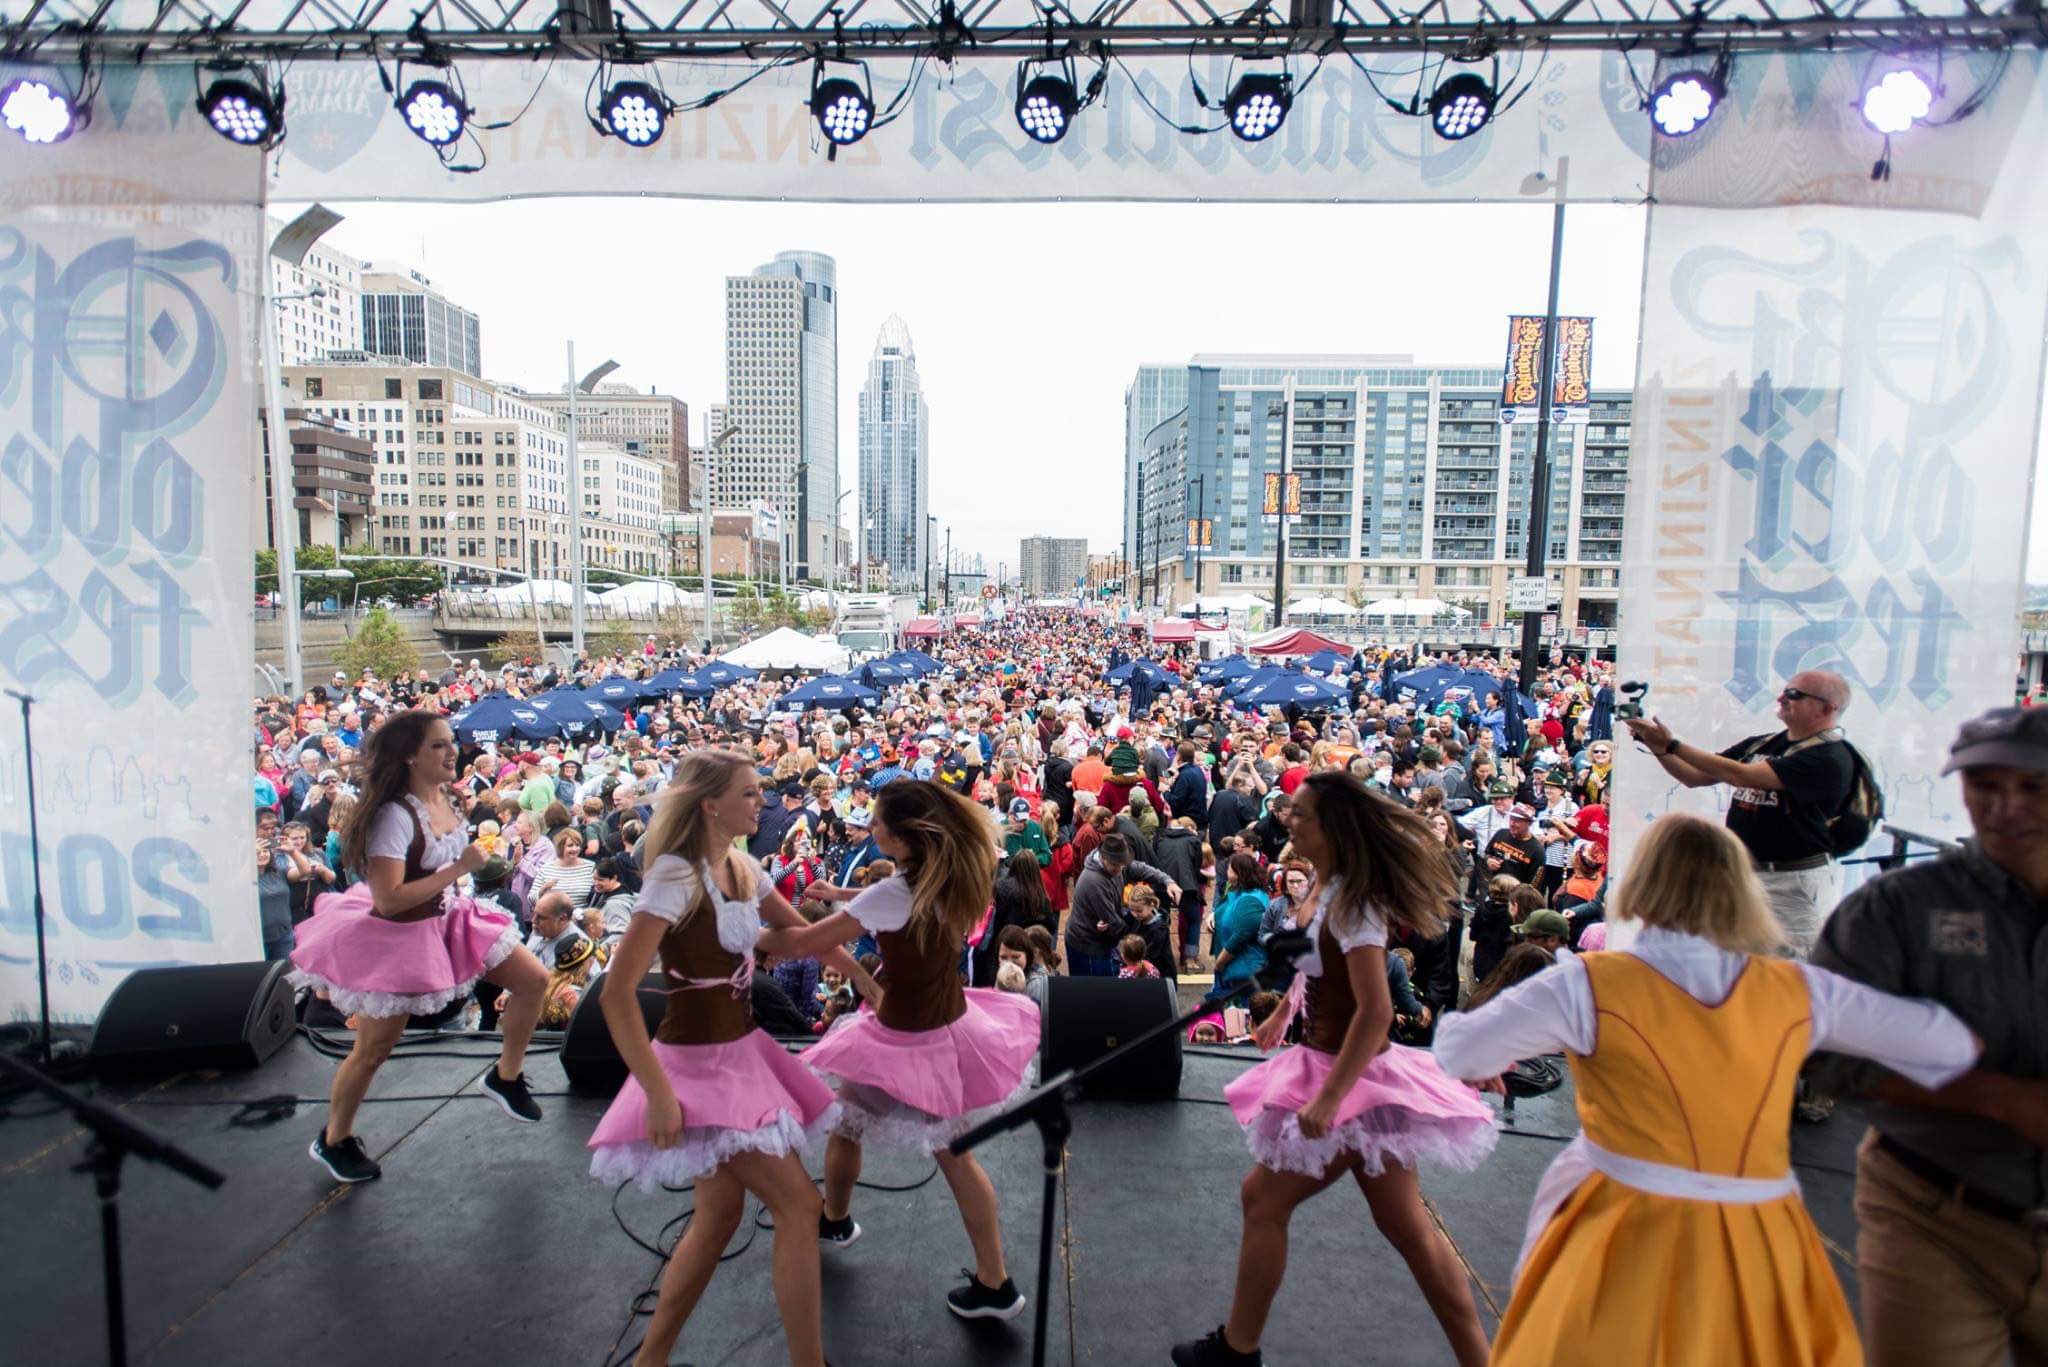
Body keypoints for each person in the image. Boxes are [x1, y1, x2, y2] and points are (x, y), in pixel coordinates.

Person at [1433, 813, 1979, 1367]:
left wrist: (1490, 1057)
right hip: (1759, 1227)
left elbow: (1458, 1051)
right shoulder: (1798, 991)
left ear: (1643, 885)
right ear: (1738, 893)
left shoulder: (1587, 983)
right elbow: (1945, 1044)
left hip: (1619, 1215)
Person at [1175, 773, 1498, 1367]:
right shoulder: (1324, 887)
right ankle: (1480, 1358)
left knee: (1264, 1200)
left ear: (1331, 827)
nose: (1288, 818)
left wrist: (1330, 1099)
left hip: (1347, 1077)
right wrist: (1287, 1009)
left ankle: (1238, 1349)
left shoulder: (1356, 906)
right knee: (1408, 1230)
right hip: (1338, 1067)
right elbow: (1313, 957)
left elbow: (1375, 1011)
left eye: (1300, 813)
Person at [588, 750, 873, 1367]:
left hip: (739, 1053)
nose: (762, 803)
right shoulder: (676, 875)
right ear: (710, 803)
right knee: (798, 1205)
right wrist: (658, 1091)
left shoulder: (742, 867)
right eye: (749, 793)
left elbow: (799, 935)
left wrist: (866, 974)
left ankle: (652, 1358)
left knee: (717, 1219)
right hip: (698, 1065)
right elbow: (616, 992)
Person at [1809, 706, 2048, 1366]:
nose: (2004, 807)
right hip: (1933, 1211)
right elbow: (1825, 1049)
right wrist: (1998, 1099)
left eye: (2033, 787)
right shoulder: (1895, 908)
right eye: (1984, 785)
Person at [762, 781, 1042, 1322]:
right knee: (856, 1125)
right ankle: (837, 1219)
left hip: (907, 1040)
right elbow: (886, 903)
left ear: (904, 838)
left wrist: (745, 935)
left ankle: (996, 1283)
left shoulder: (891, 894)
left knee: (932, 1148)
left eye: (877, 825)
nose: (870, 830)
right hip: (947, 1023)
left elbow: (807, 944)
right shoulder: (950, 874)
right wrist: (841, 897)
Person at [288, 710, 550, 1184]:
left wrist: (461, 872)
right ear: (409, 755)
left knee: (534, 980)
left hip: (452, 916)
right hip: (401, 935)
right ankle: (333, 1139)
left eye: (451, 742)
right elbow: (388, 901)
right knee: (373, 1049)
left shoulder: (444, 795)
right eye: (438, 745)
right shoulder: (393, 817)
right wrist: (459, 867)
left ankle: (505, 1076)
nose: (452, 751)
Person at [1622, 669, 1856, 957]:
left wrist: (1672, 745)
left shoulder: (1829, 757)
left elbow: (1740, 776)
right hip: (1746, 876)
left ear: (1827, 708)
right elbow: (1696, 776)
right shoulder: (1764, 743)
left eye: (1795, 694)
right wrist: (1659, 748)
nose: (1782, 698)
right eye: (1785, 690)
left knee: (1787, 970)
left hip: (1792, 882)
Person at [1067, 833, 1178, 978]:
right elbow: (1114, 924)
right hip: (1088, 946)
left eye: (1123, 864)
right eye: (1115, 865)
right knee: (1094, 992)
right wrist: (1136, 944)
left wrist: (1167, 881)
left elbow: (1141, 869)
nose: (1120, 870)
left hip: (1103, 940)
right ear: (1103, 857)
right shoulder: (1094, 882)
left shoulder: (1117, 865)